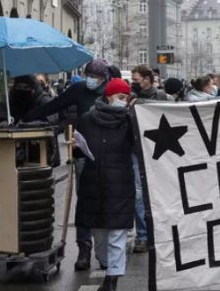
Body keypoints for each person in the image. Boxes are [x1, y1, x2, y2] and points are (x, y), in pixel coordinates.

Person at [23, 59, 109, 270]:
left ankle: (104, 250)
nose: (91, 80)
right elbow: (55, 105)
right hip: (82, 153)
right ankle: (84, 248)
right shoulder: (79, 89)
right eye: (88, 75)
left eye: (95, 77)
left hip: (107, 154)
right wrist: (26, 118)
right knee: (85, 202)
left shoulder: (110, 91)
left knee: (105, 202)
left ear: (104, 79)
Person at [76, 78, 135, 291]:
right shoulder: (86, 119)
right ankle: (108, 265)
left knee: (116, 237)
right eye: (120, 96)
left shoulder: (129, 120)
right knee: (100, 237)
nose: (123, 101)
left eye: (126, 97)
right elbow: (78, 150)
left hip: (119, 185)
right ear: (108, 96)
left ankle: (112, 280)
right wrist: (74, 147)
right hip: (93, 184)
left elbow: (138, 147)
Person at [128, 65, 172, 255]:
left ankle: (161, 233)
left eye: (136, 80)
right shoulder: (131, 99)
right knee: (138, 193)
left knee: (160, 192)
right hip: (136, 150)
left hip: (157, 150)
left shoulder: (163, 98)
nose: (133, 83)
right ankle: (143, 235)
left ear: (147, 79)